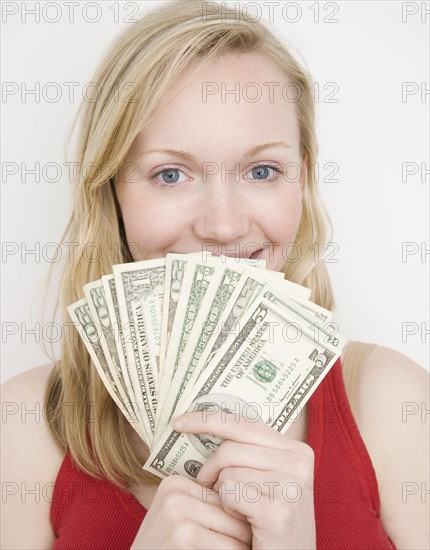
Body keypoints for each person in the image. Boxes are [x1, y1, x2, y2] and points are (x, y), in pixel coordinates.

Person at [2, 1, 429, 548]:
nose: (224, 225)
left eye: (262, 170)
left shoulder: (394, 404)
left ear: (301, 181)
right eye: (171, 173)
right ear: (111, 193)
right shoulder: (27, 425)